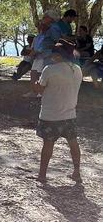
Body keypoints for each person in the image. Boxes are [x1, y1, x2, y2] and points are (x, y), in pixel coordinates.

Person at [33, 40, 82, 183]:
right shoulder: (77, 69)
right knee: (73, 143)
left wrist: (34, 80)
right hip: (69, 113)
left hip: (50, 114)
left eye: (54, 52)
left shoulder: (49, 69)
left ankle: (42, 175)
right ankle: (77, 172)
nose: (52, 55)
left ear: (59, 55)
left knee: (48, 144)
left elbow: (39, 89)